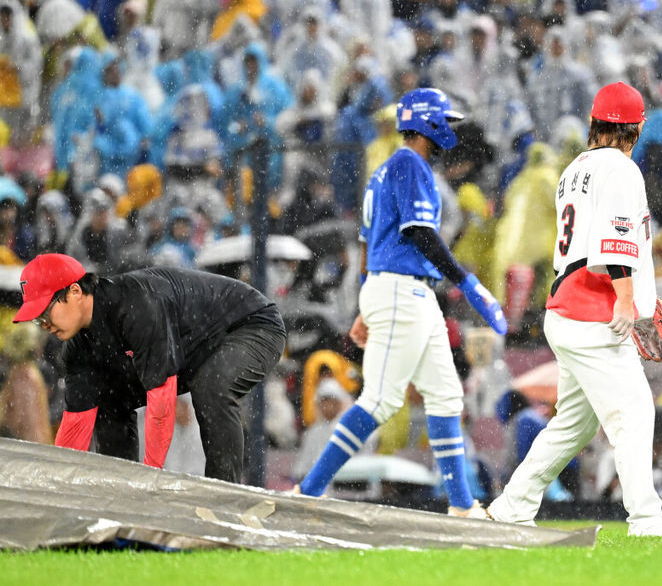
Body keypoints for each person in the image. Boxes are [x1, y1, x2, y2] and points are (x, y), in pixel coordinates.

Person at [487, 82, 662, 537]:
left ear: (596, 124)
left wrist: (638, 295)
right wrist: (626, 299)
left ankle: (512, 504)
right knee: (635, 411)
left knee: (573, 427)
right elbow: (615, 239)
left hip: (567, 306)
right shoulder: (619, 168)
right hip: (593, 309)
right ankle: (646, 519)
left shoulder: (574, 168)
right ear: (635, 128)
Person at [295, 88, 507, 519]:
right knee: (380, 400)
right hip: (401, 290)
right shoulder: (411, 163)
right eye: (444, 121)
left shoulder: (385, 169)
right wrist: (468, 283)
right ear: (427, 123)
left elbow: (368, 247)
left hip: (404, 291)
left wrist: (361, 305)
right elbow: (420, 234)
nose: (450, 129)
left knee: (446, 397)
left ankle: (462, 505)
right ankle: (309, 490)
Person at [14, 253, 287, 483]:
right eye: (37, 320)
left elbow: (161, 403)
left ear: (75, 292)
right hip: (192, 352)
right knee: (108, 400)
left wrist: (151, 480)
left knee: (210, 388)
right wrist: (59, 486)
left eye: (44, 312)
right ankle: (120, 489)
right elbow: (75, 427)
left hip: (252, 325)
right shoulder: (76, 350)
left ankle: (225, 500)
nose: (44, 324)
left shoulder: (137, 305)